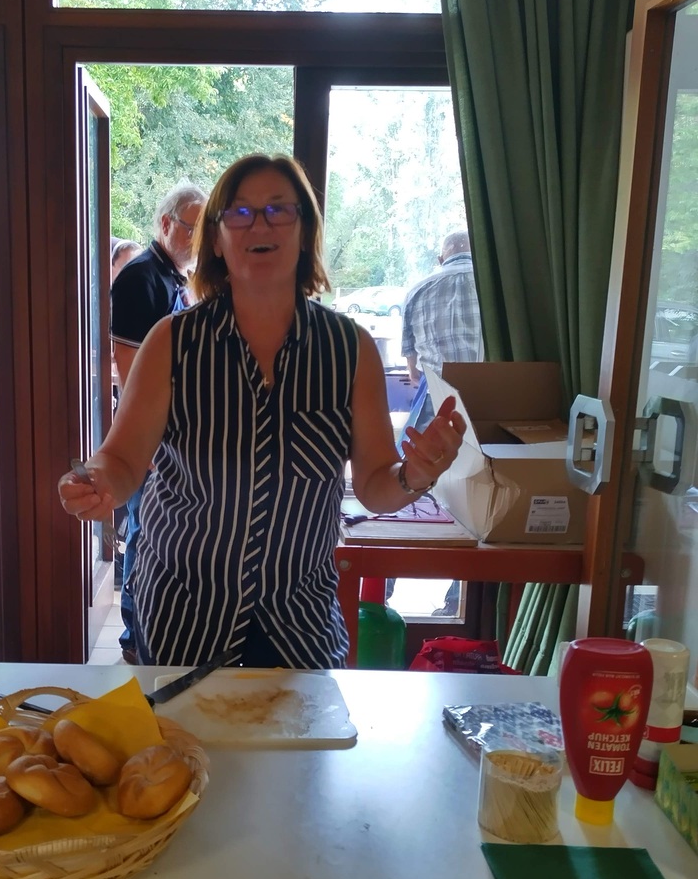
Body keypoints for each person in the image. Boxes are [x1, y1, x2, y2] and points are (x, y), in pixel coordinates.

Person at [58, 153, 466, 668]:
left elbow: (374, 484)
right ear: (216, 238)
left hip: (301, 620)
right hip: (184, 614)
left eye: (278, 209)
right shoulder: (172, 342)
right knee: (184, 726)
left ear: (305, 231)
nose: (259, 224)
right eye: (240, 212)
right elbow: (122, 459)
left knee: (302, 726)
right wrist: (96, 482)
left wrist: (417, 474)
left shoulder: (351, 349)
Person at [109, 181, 208, 663]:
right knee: (143, 532)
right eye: (193, 228)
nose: (200, 239)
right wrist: (146, 442)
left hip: (173, 438)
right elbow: (128, 370)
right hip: (151, 437)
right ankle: (134, 635)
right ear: (166, 223)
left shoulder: (178, 277)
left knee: (156, 531)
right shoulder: (140, 277)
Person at [400, 229, 484, 433]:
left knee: (421, 448)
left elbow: (412, 364)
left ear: (440, 259)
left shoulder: (417, 290)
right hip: (490, 392)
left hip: (437, 397)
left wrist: (416, 374)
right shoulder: (494, 284)